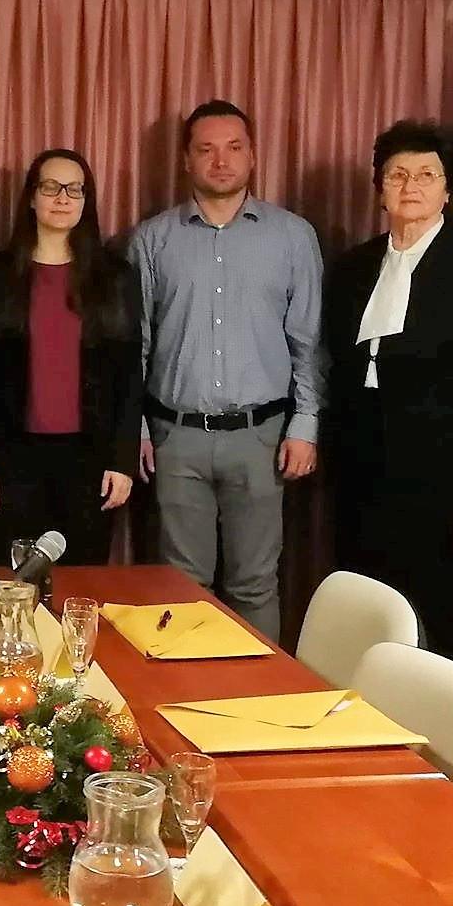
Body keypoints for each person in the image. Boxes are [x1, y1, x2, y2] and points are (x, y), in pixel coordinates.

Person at [321, 120, 453, 675]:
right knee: (369, 621)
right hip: (365, 484)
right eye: (397, 175)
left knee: (445, 628)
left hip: (446, 493)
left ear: (448, 189)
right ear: (380, 188)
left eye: (427, 175)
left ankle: (450, 732)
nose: (411, 186)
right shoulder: (353, 269)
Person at [131, 100, 323, 642]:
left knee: (255, 584)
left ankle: (259, 691)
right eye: (207, 149)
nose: (221, 160)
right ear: (186, 160)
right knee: (179, 585)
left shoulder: (292, 237)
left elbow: (308, 341)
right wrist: (136, 427)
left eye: (234, 147)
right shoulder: (152, 240)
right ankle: (182, 690)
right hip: (175, 438)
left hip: (262, 438)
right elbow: (136, 345)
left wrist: (306, 424)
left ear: (253, 155)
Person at [0, 149, 143, 565]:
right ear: (31, 197)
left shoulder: (114, 277)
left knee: (81, 582)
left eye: (74, 189)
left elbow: (129, 374)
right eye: (51, 187)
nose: (63, 198)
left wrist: (122, 460)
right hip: (11, 459)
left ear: (86, 201)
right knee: (12, 582)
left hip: (90, 460)